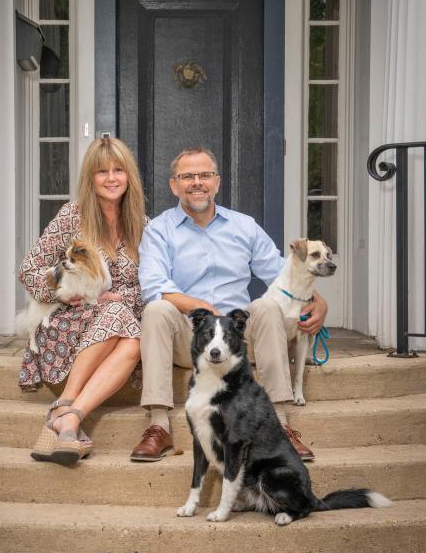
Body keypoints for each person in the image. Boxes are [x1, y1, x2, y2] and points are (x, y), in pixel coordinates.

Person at [131, 147, 328, 463]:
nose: (197, 182)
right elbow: (155, 286)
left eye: (205, 175)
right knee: (156, 309)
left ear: (217, 182)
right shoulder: (159, 230)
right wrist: (204, 310)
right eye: (188, 176)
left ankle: (280, 422)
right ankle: (158, 426)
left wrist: (320, 302)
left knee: (266, 307)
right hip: (191, 337)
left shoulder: (244, 226)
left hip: (239, 337)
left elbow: (284, 273)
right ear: (174, 185)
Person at [18, 137, 146, 465]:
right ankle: (67, 411)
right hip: (67, 323)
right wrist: (70, 295)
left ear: (129, 175)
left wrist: (115, 298)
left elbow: (151, 286)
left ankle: (67, 416)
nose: (112, 178)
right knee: (122, 320)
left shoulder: (142, 225)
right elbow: (29, 270)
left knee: (132, 342)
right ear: (90, 178)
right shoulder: (72, 216)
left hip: (121, 325)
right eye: (102, 172)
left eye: (119, 170)